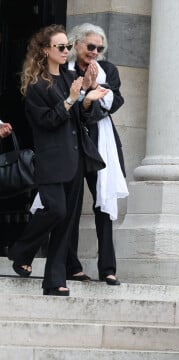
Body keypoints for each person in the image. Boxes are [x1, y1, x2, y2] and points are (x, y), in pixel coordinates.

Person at [8, 24, 108, 296]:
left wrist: (86, 99)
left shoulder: (69, 77)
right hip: (52, 160)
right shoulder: (36, 86)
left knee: (67, 222)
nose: (66, 51)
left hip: (75, 158)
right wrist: (71, 99)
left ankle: (54, 280)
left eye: (67, 47)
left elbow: (81, 118)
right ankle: (21, 249)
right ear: (45, 50)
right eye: (61, 47)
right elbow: (46, 121)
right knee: (56, 211)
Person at [66, 23, 128, 286]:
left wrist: (92, 93)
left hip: (100, 140)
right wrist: (85, 93)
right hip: (71, 140)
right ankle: (71, 265)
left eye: (99, 48)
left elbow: (115, 101)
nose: (95, 52)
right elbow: (68, 108)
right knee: (70, 204)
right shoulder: (64, 71)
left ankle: (108, 268)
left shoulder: (108, 70)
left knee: (104, 202)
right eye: (90, 46)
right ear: (76, 44)